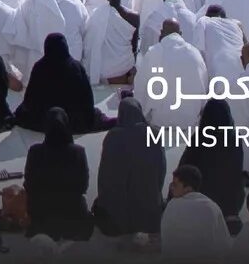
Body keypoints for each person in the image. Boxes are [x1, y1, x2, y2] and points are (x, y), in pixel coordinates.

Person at [93, 98, 167, 238]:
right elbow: (161, 172)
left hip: (116, 223)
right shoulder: (154, 134)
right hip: (150, 219)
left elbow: (104, 177)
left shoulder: (113, 137)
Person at [22, 108, 93, 243]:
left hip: (41, 213)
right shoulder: (78, 152)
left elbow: (29, 184)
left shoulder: (35, 152)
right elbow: (83, 186)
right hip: (72, 211)